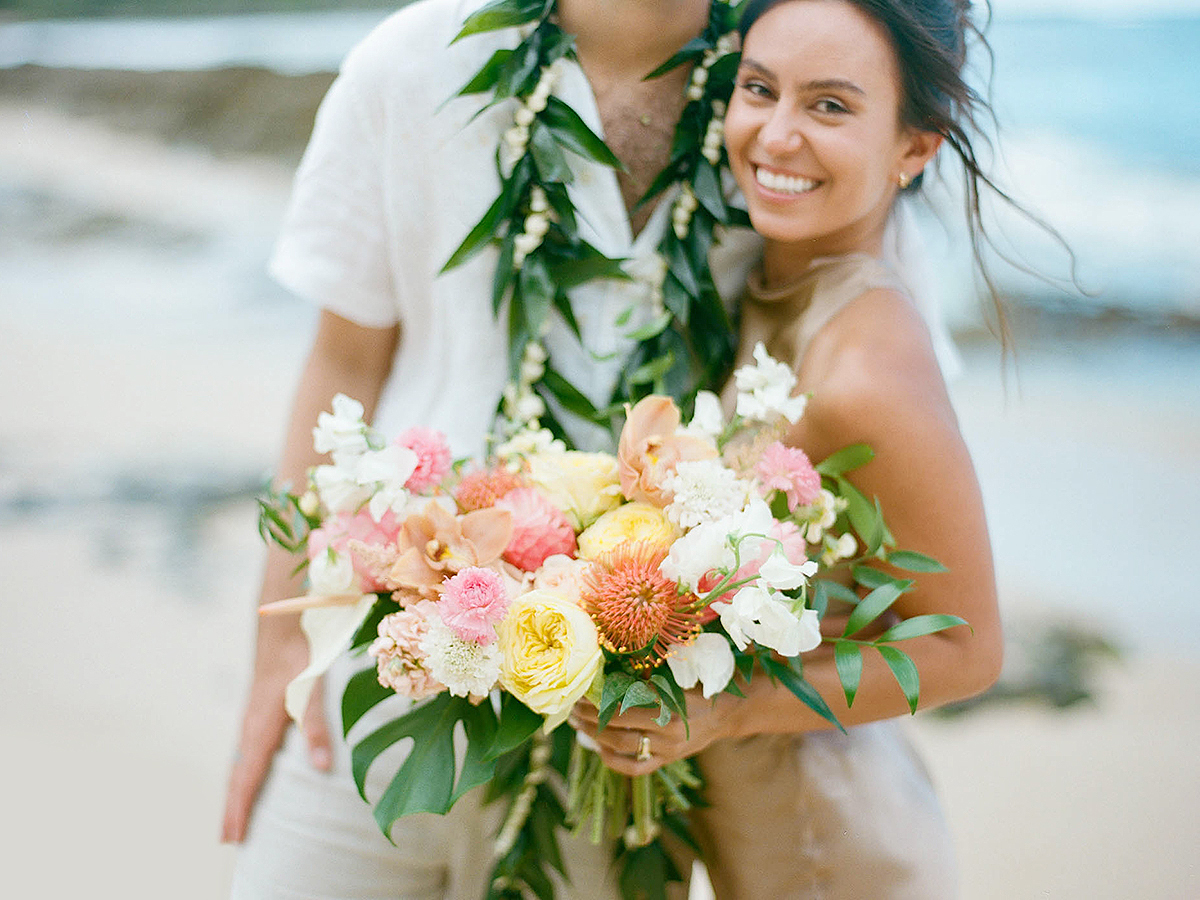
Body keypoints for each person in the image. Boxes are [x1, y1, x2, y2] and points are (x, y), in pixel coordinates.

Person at [221, 0, 761, 896]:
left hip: (626, 720)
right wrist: (277, 644)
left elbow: (852, 330)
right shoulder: (410, 62)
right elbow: (343, 358)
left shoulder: (784, 88)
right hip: (389, 646)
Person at [569, 0, 1006, 896]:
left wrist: (726, 715)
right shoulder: (754, 278)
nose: (775, 135)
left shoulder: (866, 368)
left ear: (914, 147)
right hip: (751, 827)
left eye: (831, 106)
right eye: (759, 90)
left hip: (828, 845)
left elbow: (969, 650)